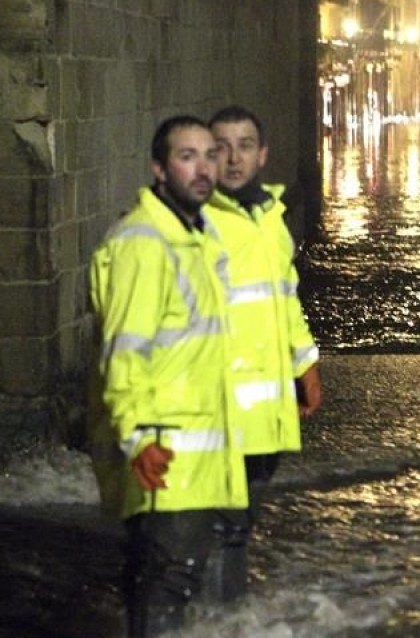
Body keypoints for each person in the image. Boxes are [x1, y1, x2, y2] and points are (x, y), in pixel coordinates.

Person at [87, 115, 249, 637]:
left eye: (209, 155)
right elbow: (124, 350)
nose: (204, 168)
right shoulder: (145, 244)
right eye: (187, 157)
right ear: (158, 169)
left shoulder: (194, 238)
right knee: (167, 576)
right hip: (164, 446)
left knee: (176, 572)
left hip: (198, 444)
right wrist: (137, 437)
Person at [203, 105, 323, 602]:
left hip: (265, 412)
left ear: (263, 155)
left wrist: (305, 363)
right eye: (222, 148)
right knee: (221, 524)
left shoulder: (271, 220)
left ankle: (225, 616)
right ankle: (210, 620)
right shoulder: (197, 224)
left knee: (242, 521)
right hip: (216, 409)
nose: (234, 158)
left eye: (245, 146)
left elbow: (285, 297)